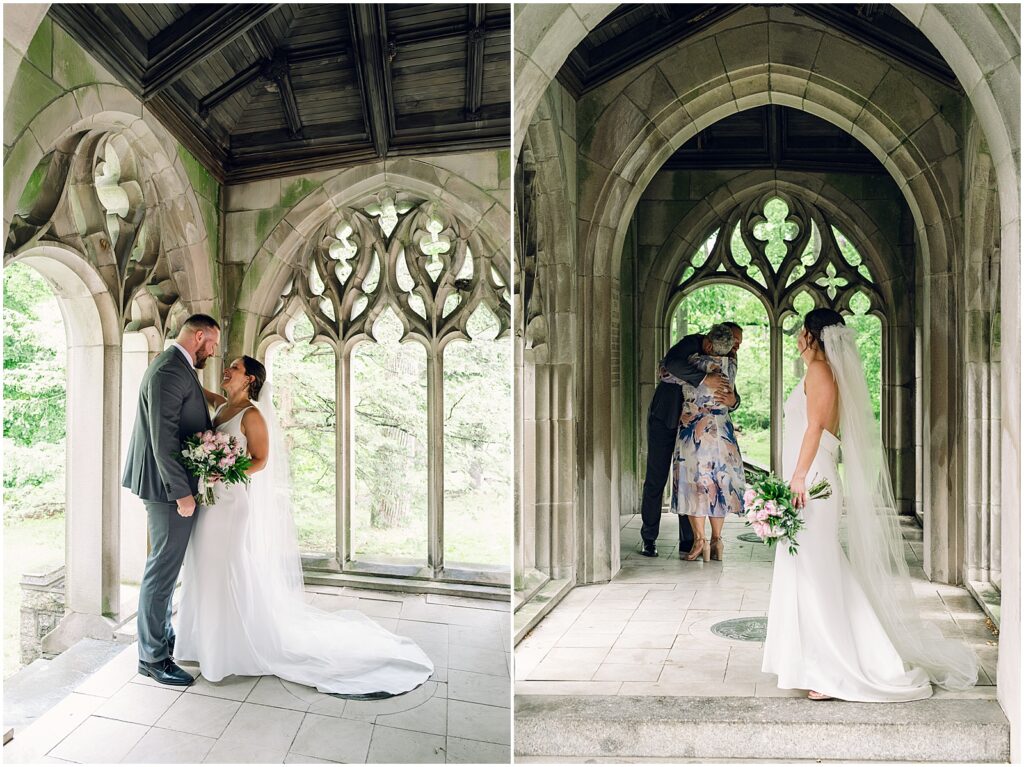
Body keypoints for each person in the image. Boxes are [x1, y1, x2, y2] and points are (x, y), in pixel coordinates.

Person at [174, 355, 434, 695]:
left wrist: (224, 471)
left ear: (250, 379)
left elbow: (261, 460)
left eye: (234, 368)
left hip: (231, 504)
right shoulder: (223, 407)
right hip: (211, 503)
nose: (226, 369)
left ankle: (231, 648)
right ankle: (201, 643)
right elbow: (202, 393)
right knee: (205, 567)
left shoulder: (252, 415)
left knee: (227, 568)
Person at [762, 308, 977, 701]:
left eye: (799, 334)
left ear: (812, 337)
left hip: (812, 481)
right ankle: (813, 660)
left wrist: (796, 477)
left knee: (818, 572)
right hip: (812, 477)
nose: (796, 341)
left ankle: (832, 667)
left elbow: (814, 428)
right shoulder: (825, 373)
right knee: (813, 569)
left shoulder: (820, 372)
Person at [122, 314, 221, 686]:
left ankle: (161, 639)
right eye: (211, 344)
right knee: (161, 571)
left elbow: (183, 408)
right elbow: (163, 440)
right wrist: (182, 494)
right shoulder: (168, 370)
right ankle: (152, 658)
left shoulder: (178, 366)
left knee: (166, 568)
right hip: (166, 490)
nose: (213, 352)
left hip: (169, 486)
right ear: (199, 337)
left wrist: (211, 398)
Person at [639, 322, 742, 557]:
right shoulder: (690, 344)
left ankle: (689, 541)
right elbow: (670, 365)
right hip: (666, 418)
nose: (735, 349)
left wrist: (733, 401)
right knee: (657, 478)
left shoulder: (723, 358)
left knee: (690, 479)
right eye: (735, 342)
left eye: (736, 346)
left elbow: (732, 391)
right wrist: (704, 379)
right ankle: (649, 538)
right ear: (710, 341)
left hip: (695, 428)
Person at [669, 325, 745, 561]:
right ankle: (717, 541)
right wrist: (732, 401)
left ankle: (700, 541)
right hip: (722, 432)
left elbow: (665, 371)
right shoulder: (731, 366)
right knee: (719, 484)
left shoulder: (694, 363)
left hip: (696, 433)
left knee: (695, 486)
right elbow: (731, 395)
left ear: (709, 343)